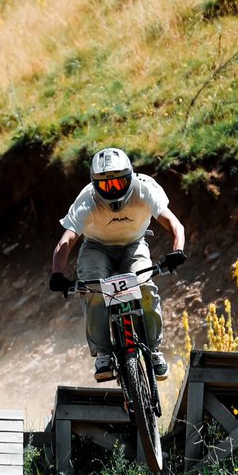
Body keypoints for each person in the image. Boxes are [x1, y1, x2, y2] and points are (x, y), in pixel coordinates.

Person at [49, 147, 186, 381]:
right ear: (94, 185)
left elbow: (175, 225)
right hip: (96, 247)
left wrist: (177, 251)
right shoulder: (87, 200)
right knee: (94, 292)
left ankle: (153, 349)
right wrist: (57, 273)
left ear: (131, 176)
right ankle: (103, 353)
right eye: (105, 185)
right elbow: (66, 242)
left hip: (134, 244)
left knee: (144, 287)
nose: (112, 190)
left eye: (118, 182)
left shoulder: (144, 189)